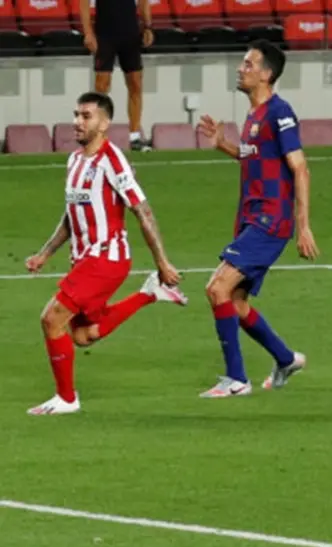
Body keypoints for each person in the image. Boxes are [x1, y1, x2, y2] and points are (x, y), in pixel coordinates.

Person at [24, 91, 186, 415]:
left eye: (86, 116)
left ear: (105, 123)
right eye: (76, 115)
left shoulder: (112, 161)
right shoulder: (74, 160)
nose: (77, 122)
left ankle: (66, 399)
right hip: (84, 260)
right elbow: (71, 217)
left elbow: (143, 211)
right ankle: (150, 293)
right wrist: (45, 254)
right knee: (84, 335)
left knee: (51, 318)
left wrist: (162, 261)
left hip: (107, 259)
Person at [195, 40, 319, 399]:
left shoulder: (280, 113)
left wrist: (303, 225)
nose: (241, 68)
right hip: (251, 218)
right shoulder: (254, 116)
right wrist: (223, 144)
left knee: (216, 289)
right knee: (234, 302)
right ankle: (285, 359)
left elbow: (300, 168)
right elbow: (255, 159)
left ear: (267, 74)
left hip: (270, 220)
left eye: (249, 64)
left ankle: (236, 379)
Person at [80, 0, 154, 151]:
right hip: (105, 34)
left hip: (130, 33)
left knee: (135, 83)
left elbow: (143, 2)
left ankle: (135, 137)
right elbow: (84, 3)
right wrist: (88, 32)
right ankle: (97, 135)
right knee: (101, 87)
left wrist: (147, 27)